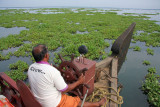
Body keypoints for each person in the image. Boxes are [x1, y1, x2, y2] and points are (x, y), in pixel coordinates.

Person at [28, 44, 106, 107]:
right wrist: (79, 81)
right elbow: (65, 89)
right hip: (52, 104)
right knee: (77, 101)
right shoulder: (52, 71)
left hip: (37, 100)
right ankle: (98, 104)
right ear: (46, 55)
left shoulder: (31, 68)